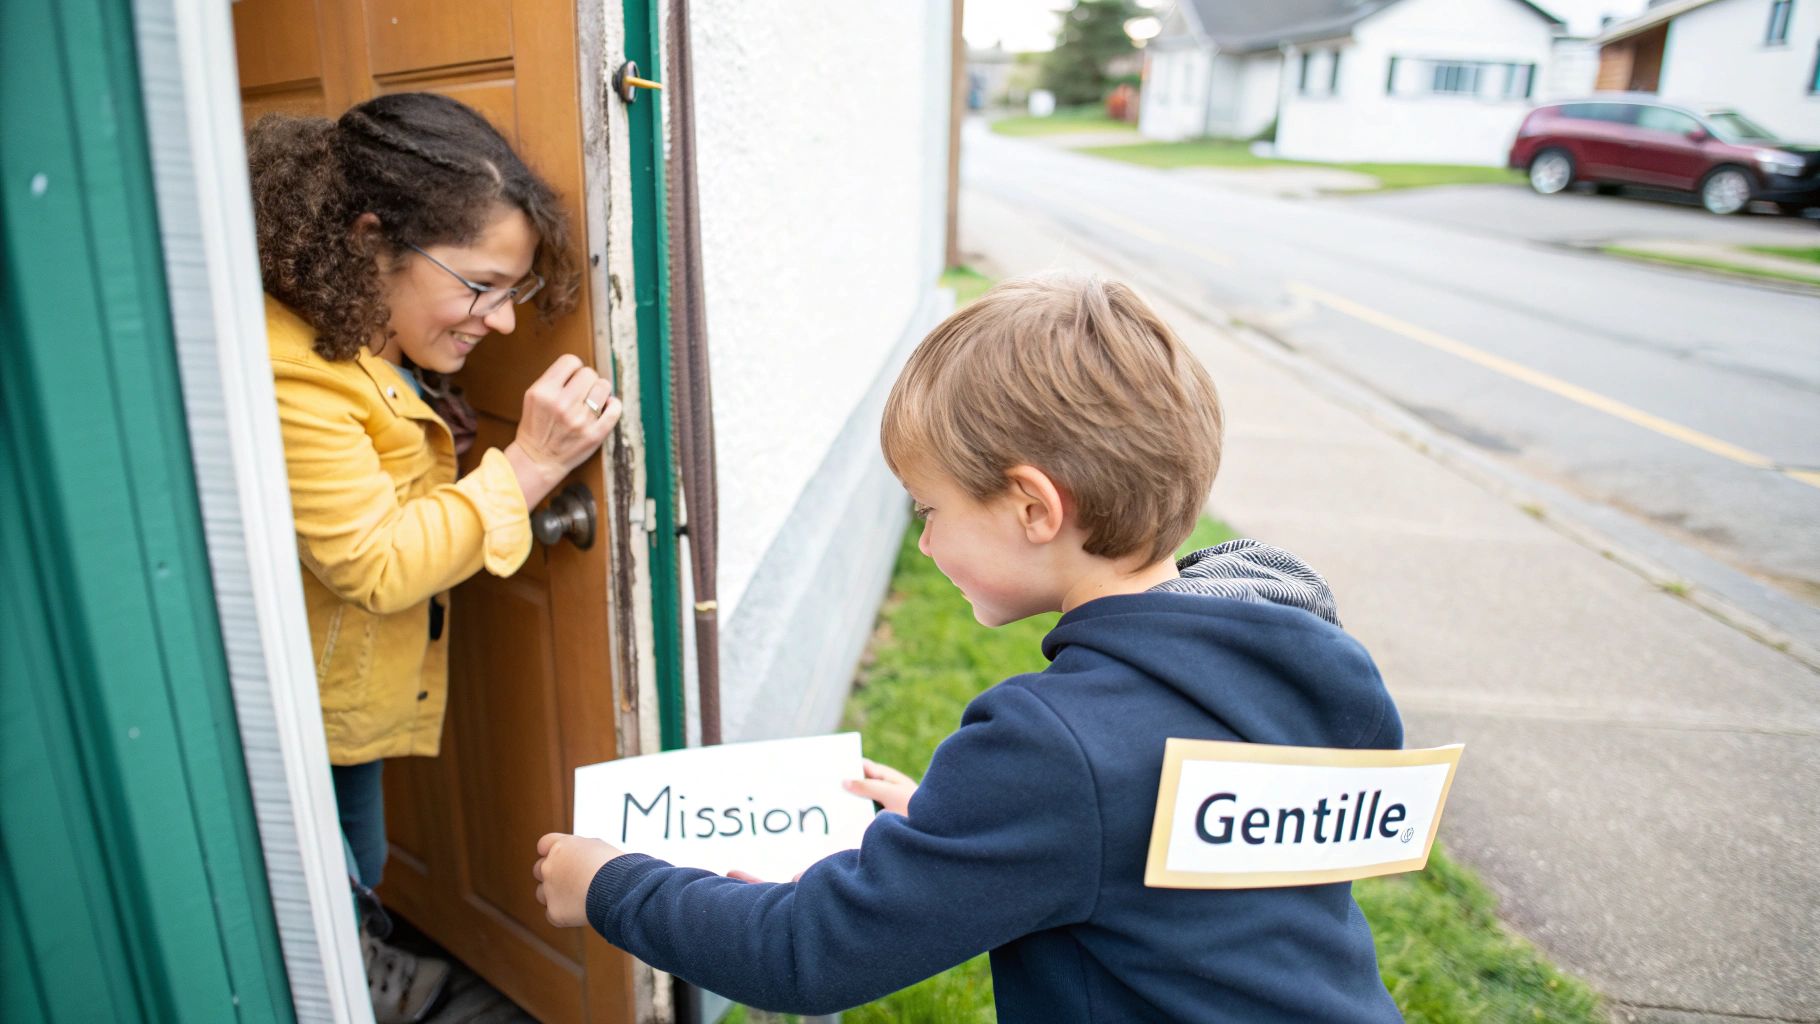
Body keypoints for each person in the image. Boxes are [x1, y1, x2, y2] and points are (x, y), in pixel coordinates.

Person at [531, 274, 1404, 1021]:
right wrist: (968, 831)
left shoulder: (1054, 752)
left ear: (1033, 508)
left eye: (929, 509)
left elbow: (807, 951)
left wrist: (609, 883)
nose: (923, 543)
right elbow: (1143, 856)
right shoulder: (1295, 657)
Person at [248, 92, 621, 1024]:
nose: (499, 323)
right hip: (297, 719)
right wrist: (531, 465)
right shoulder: (291, 371)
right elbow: (374, 563)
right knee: (328, 920)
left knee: (358, 886)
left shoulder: (358, 325)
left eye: (514, 290)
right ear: (373, 241)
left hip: (350, 710)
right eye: (480, 285)